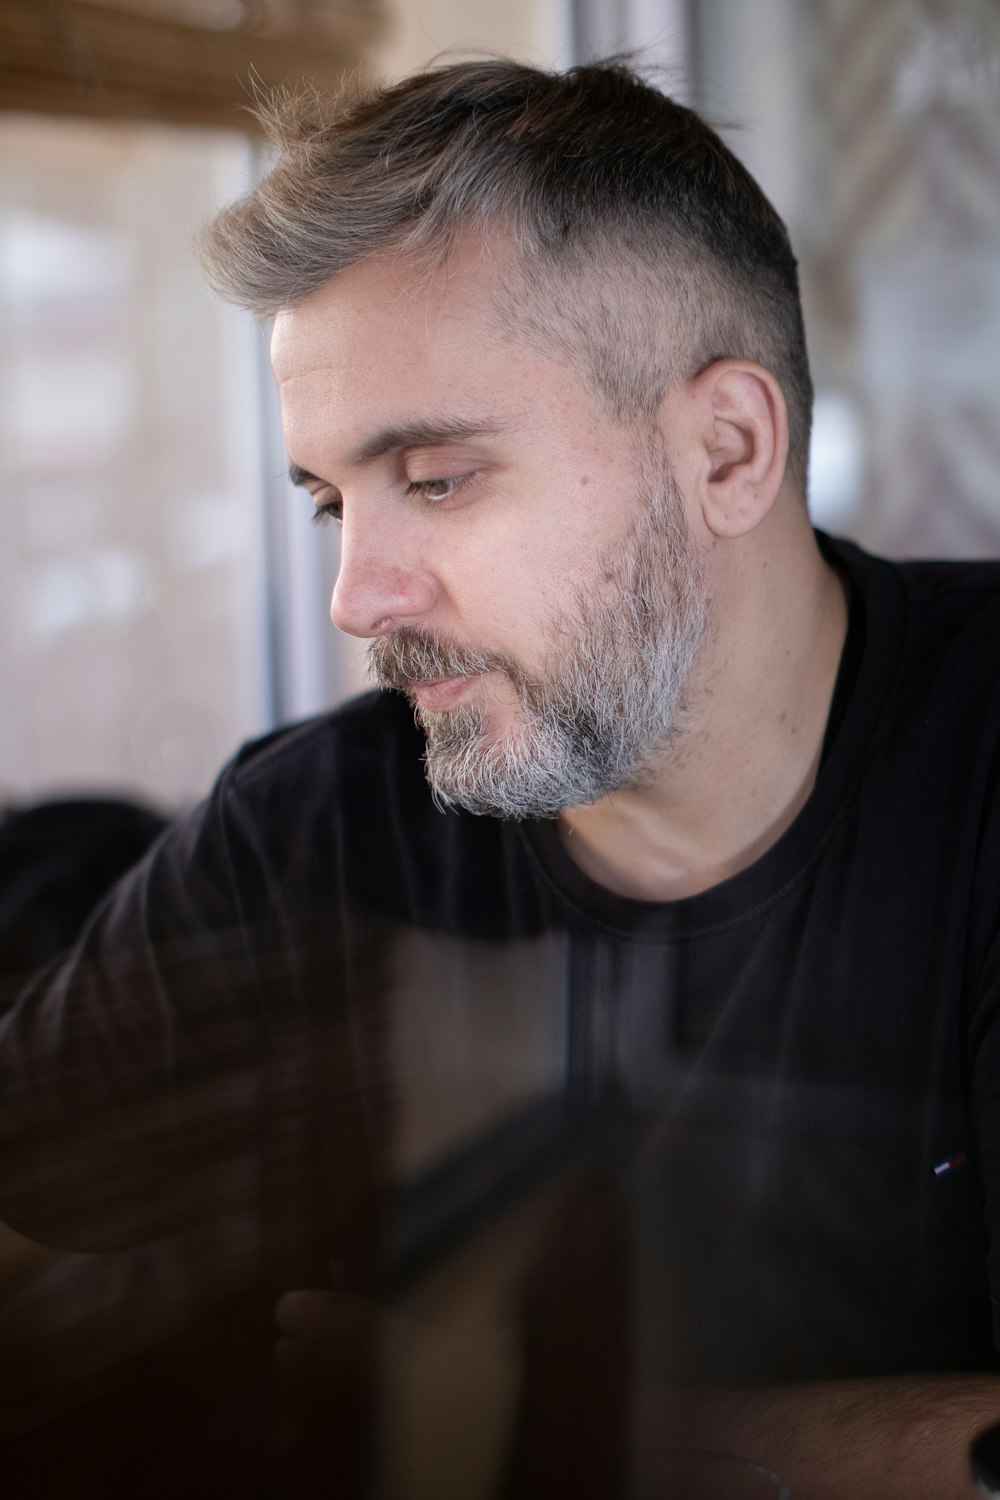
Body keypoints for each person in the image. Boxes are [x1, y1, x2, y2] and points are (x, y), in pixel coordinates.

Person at [2, 57, 1000, 1499]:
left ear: (727, 449)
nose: (356, 596)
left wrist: (536, 1424)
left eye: (438, 477)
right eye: (333, 500)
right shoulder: (320, 824)